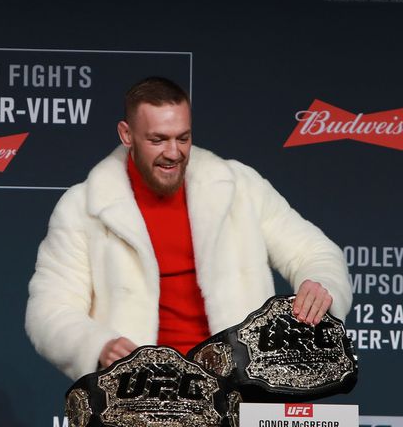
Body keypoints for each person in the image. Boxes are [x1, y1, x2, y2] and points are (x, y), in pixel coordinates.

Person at [25, 77, 352, 381]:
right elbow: (49, 310)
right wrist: (98, 345)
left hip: (238, 389)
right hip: (139, 395)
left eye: (183, 138)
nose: (173, 152)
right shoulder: (82, 207)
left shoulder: (238, 186)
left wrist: (320, 285)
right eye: (158, 139)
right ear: (127, 135)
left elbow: (315, 252)